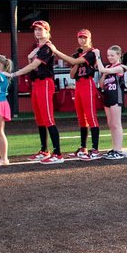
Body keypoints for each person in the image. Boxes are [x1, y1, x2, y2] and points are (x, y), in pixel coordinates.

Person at [51, 28, 102, 159]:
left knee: (91, 116)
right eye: (80, 37)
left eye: (85, 37)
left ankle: (95, 149)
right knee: (81, 117)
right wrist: (77, 61)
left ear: (89, 39)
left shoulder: (91, 53)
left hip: (88, 84)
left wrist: (56, 51)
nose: (82, 40)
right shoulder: (78, 54)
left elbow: (74, 62)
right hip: (78, 85)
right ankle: (83, 147)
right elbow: (72, 74)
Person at [23, 20, 62, 164]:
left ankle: (57, 153)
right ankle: (44, 150)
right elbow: (31, 64)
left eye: (40, 29)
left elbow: (34, 65)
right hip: (36, 84)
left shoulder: (47, 48)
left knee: (48, 118)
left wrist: (15, 73)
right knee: (39, 118)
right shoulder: (38, 47)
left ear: (47, 31)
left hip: (45, 83)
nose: (37, 32)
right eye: (36, 30)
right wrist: (29, 56)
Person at [95, 46, 127, 158]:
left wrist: (97, 57)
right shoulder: (108, 67)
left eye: (112, 55)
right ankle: (114, 148)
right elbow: (101, 84)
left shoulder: (120, 67)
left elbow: (102, 69)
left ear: (119, 55)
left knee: (116, 123)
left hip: (116, 96)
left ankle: (118, 150)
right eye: (108, 55)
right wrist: (104, 74)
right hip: (107, 96)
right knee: (111, 124)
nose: (109, 57)